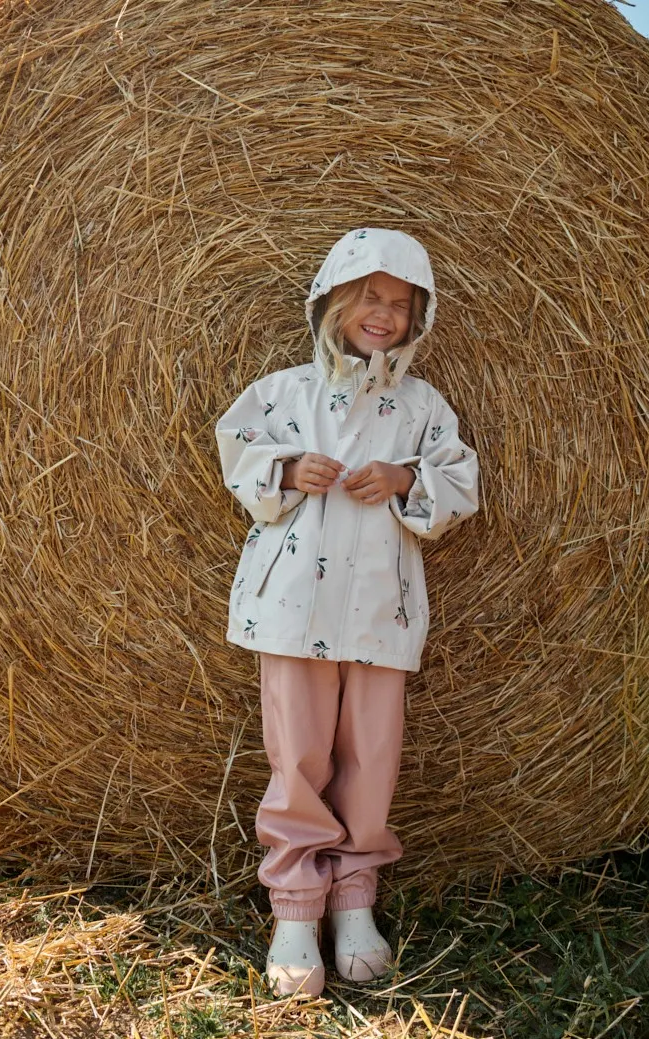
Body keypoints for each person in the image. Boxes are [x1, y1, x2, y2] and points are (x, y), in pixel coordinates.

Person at [216, 227, 479, 996]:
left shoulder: (422, 405)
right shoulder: (282, 391)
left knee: (372, 758)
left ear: (416, 319)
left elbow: (457, 481)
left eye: (401, 305)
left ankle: (355, 900)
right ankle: (296, 907)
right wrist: (287, 467)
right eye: (371, 298)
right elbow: (237, 450)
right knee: (296, 757)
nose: (384, 315)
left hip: (380, 611)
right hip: (292, 608)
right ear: (333, 297)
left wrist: (405, 477)